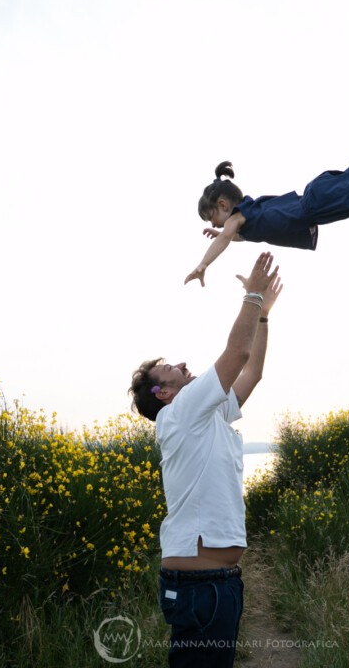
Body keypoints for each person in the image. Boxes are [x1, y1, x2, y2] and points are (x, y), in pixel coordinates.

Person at [130, 252, 283, 667]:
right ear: (163, 393)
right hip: (201, 586)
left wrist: (263, 316)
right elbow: (235, 354)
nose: (181, 364)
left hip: (216, 584)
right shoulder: (178, 413)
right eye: (169, 369)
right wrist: (251, 294)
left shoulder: (205, 413)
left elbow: (250, 373)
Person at [184, 111, 349, 286]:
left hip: (317, 206)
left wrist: (203, 264)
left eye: (214, 219)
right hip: (316, 194)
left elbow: (226, 237)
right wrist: (222, 233)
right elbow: (238, 236)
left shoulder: (238, 217)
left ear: (222, 205)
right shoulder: (249, 216)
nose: (219, 226)